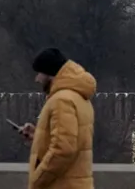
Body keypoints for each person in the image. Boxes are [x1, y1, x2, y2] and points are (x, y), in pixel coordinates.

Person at [19, 48, 96, 189]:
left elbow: (63, 150)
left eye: (39, 73)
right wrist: (39, 137)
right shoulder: (79, 97)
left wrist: (37, 179)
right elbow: (71, 140)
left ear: (50, 74)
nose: (37, 79)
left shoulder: (61, 100)